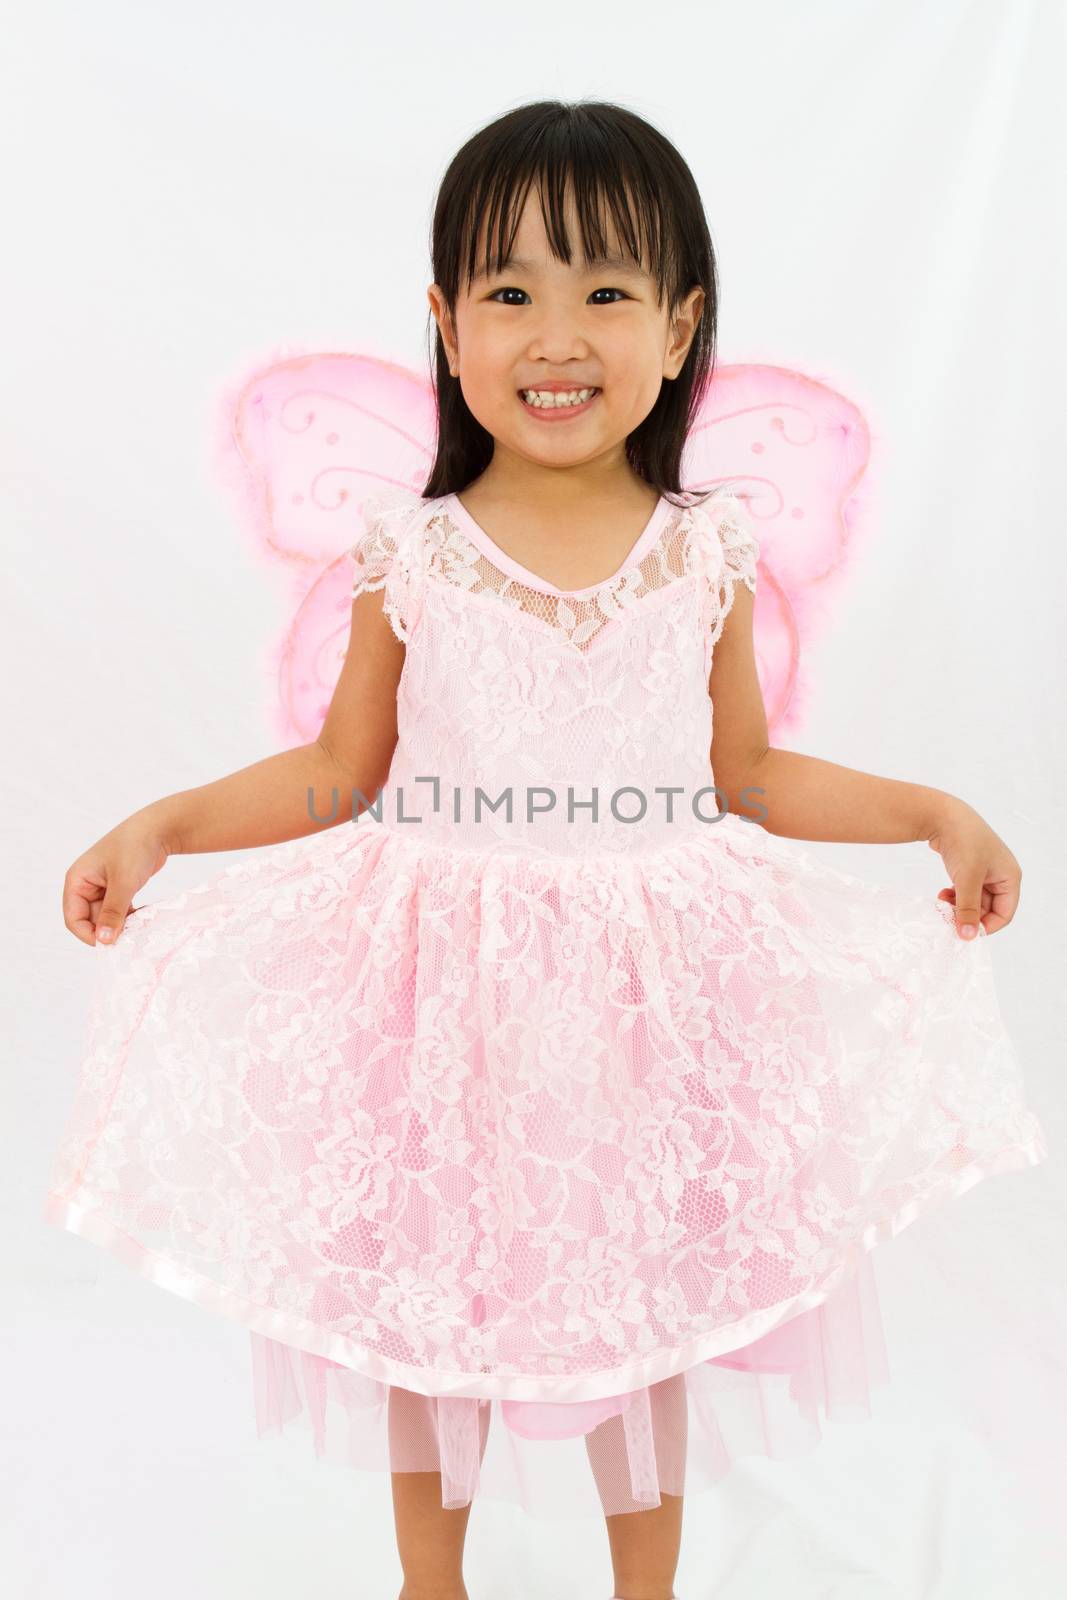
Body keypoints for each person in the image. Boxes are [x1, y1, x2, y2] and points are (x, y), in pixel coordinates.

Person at [50, 99, 1046, 1600]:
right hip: (444, 993)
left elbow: (750, 775)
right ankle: (428, 1583)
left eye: (605, 292)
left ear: (679, 322)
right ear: (446, 326)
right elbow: (340, 772)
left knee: (638, 1298)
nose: (555, 334)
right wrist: (171, 826)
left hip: (648, 1000)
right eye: (509, 292)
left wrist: (931, 811)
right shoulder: (416, 548)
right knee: (427, 1289)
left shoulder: (704, 548)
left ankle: (643, 1585)